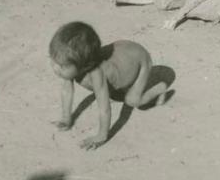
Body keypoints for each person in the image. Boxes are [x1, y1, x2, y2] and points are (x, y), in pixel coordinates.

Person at [49, 21, 167, 150]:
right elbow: (67, 91)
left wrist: (101, 135)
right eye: (53, 61)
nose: (55, 68)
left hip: (140, 59)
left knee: (132, 100)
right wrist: (66, 118)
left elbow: (104, 108)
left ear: (83, 66)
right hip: (125, 49)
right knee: (117, 94)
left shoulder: (96, 74)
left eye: (61, 66)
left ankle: (160, 88)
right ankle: (124, 87)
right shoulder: (76, 65)